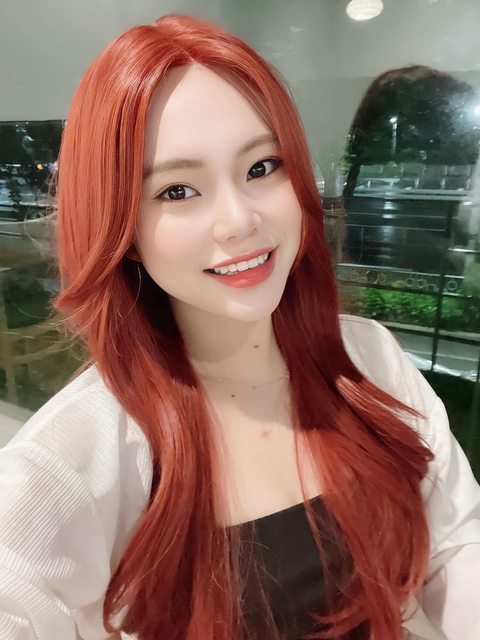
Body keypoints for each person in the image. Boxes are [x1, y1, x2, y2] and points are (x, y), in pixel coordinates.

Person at [0, 13, 479, 640]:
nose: (239, 221)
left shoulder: (369, 358)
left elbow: (455, 543)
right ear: (124, 230)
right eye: (176, 191)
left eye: (261, 168)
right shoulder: (76, 455)